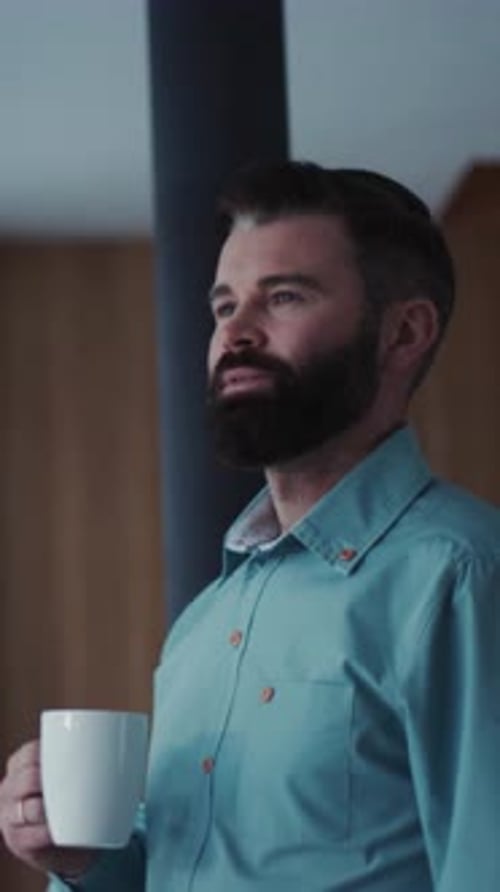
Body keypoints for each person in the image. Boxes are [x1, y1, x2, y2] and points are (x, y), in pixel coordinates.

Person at [1, 161, 499, 891]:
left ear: (403, 333)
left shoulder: (462, 578)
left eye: (285, 297)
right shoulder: (206, 624)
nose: (235, 333)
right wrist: (80, 863)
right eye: (224, 306)